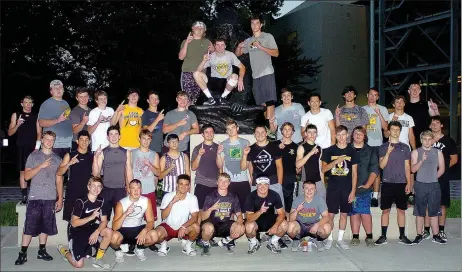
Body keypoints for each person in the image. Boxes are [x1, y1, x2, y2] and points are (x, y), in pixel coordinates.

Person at [15, 131, 63, 265]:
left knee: (45, 226)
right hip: (35, 197)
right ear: (42, 140)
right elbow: (26, 176)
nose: (49, 141)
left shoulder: (57, 159)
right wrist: (41, 166)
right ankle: (22, 253)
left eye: (51, 139)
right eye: (46, 139)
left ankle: (42, 251)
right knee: (29, 226)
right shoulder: (33, 155)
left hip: (50, 197)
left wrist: (59, 198)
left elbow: (59, 181)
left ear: (54, 142)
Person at [56, 177, 113, 270]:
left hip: (90, 228)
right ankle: (64, 251)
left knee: (109, 231)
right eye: (93, 186)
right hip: (76, 230)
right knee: (78, 264)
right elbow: (74, 223)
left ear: (101, 189)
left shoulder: (102, 201)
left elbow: (104, 221)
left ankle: (98, 259)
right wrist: (91, 217)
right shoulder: (81, 201)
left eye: (99, 186)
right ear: (88, 187)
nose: (96, 189)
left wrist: (97, 231)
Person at [236, 16, 279, 131]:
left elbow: (276, 53)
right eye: (252, 23)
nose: (255, 25)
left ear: (261, 25)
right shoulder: (249, 41)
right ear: (250, 25)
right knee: (262, 104)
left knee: (270, 101)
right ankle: (268, 127)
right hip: (256, 75)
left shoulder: (267, 36)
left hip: (267, 72)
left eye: (257, 23)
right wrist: (239, 47)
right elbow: (238, 54)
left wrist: (260, 46)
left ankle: (271, 130)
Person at [375, 121, 413, 246]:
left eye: (397, 130)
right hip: (387, 183)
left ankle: (402, 236)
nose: (395, 132)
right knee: (385, 210)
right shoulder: (383, 147)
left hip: (401, 183)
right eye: (393, 129)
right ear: (389, 131)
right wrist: (388, 152)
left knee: (401, 210)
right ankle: (383, 236)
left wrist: (409, 183)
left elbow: (407, 167)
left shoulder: (405, 147)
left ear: (400, 131)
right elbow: (381, 165)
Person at [321, 125, 358, 250]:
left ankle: (340, 239)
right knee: (330, 214)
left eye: (343, 134)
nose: (341, 137)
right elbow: (324, 168)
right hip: (333, 187)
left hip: (347, 188)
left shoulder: (352, 151)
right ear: (335, 136)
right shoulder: (329, 151)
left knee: (344, 214)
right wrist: (335, 162)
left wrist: (353, 191)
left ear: (347, 135)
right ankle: (329, 239)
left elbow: (354, 173)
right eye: (339, 135)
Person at [150, 174, 200, 257]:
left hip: (183, 227)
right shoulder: (168, 196)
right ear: (177, 185)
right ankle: (164, 244)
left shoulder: (192, 198)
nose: (183, 187)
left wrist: (183, 226)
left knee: (196, 227)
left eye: (186, 184)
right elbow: (163, 216)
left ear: (189, 186)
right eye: (181, 184)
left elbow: (195, 217)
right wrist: (172, 202)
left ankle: (187, 246)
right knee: (155, 234)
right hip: (168, 226)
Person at [411, 130, 446, 245]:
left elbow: (442, 168)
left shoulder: (438, 152)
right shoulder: (416, 152)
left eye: (429, 139)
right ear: (421, 140)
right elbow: (413, 170)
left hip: (434, 185)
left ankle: (435, 235)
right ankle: (419, 235)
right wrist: (422, 161)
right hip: (420, 184)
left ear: (432, 140)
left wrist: (433, 178)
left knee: (434, 212)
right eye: (425, 139)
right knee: (419, 212)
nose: (427, 141)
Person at [110, 179, 157, 263]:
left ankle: (139, 249)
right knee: (113, 238)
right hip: (124, 230)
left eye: (138, 188)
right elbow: (114, 227)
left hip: (138, 229)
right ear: (128, 190)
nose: (136, 191)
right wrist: (125, 213)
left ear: (141, 190)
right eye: (133, 188)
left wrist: (144, 231)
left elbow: (151, 221)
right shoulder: (121, 203)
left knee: (154, 235)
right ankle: (118, 251)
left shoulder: (146, 201)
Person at [427, 116, 458, 241]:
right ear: (430, 126)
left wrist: (442, 169)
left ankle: (441, 231)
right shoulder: (426, 139)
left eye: (437, 123)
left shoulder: (448, 141)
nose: (434, 125)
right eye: (432, 123)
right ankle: (426, 230)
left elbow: (454, 159)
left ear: (441, 125)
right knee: (428, 203)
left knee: (442, 204)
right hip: (427, 176)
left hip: (443, 177)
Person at [92, 126, 133, 221]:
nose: (114, 136)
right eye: (111, 134)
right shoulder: (102, 152)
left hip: (120, 190)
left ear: (119, 136)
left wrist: (130, 189)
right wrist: (95, 157)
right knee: (103, 220)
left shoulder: (126, 152)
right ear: (107, 137)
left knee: (120, 219)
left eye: (116, 134)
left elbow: (129, 171)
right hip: (106, 190)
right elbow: (95, 174)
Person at [199, 173, 245, 256]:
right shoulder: (210, 196)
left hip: (224, 225)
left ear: (229, 183)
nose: (223, 183)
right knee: (208, 227)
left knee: (241, 228)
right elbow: (203, 217)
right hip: (211, 224)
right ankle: (205, 243)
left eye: (226, 181)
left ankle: (226, 241)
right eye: (221, 180)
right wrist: (211, 208)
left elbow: (239, 215)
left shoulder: (233, 197)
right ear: (217, 182)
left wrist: (239, 224)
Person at [7, 95, 42, 204]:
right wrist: (17, 125)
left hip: (33, 148)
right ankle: (24, 196)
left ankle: (35, 194)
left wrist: (37, 147)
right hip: (20, 147)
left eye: (30, 102)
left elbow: (39, 132)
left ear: (32, 104)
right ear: (22, 103)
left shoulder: (36, 115)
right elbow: (10, 133)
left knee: (35, 172)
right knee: (23, 172)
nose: (28, 104)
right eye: (26, 102)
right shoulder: (16, 115)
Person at [349, 126, 379, 247]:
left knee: (365, 212)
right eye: (356, 133)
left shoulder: (370, 150)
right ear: (352, 135)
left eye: (361, 134)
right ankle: (355, 237)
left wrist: (367, 185)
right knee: (354, 212)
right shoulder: (347, 149)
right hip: (350, 189)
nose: (358, 135)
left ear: (364, 136)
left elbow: (374, 169)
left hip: (364, 188)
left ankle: (369, 237)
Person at [241, 125, 284, 208]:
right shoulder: (250, 149)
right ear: (254, 134)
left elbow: (279, 167)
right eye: (257, 132)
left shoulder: (274, 147)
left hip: (273, 183)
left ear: (266, 133)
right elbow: (243, 168)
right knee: (256, 210)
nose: (260, 134)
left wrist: (279, 184)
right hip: (257, 184)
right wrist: (245, 155)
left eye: (262, 132)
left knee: (277, 210)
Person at [193, 37, 246, 105]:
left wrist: (241, 79)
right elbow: (198, 71)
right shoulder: (211, 56)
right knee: (196, 74)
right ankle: (210, 98)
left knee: (235, 76)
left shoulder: (230, 55)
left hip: (226, 82)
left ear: (225, 46)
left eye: (222, 45)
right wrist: (204, 61)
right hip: (213, 82)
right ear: (214, 46)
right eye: (217, 45)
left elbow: (242, 67)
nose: (220, 47)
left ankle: (223, 97)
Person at [244, 176, 288, 254]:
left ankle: (273, 241)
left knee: (284, 224)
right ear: (256, 185)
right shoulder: (250, 196)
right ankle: (254, 242)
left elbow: (281, 214)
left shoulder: (274, 195)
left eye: (265, 184)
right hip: (255, 221)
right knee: (248, 226)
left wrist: (276, 226)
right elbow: (249, 218)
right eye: (260, 184)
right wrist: (260, 211)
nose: (262, 187)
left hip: (269, 220)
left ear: (268, 185)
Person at [58, 130, 94, 223]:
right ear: (77, 141)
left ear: (89, 141)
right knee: (71, 221)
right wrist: (69, 164)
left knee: (87, 220)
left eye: (86, 140)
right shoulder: (70, 155)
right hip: (73, 192)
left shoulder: (92, 156)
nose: (84, 142)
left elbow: (96, 175)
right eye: (81, 139)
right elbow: (59, 172)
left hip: (87, 193)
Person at [217, 119, 251, 213]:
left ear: (237, 128)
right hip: (230, 182)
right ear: (226, 131)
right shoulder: (223, 144)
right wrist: (218, 153)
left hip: (243, 181)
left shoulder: (245, 142)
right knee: (230, 210)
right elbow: (220, 165)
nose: (231, 130)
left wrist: (252, 179)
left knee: (245, 210)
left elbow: (249, 164)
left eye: (233, 128)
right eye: (228, 129)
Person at [362, 87, 389, 207]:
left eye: (375, 95)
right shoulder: (362, 109)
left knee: (376, 170)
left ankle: (375, 196)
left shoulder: (383, 109)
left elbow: (385, 128)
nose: (373, 97)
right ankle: (364, 193)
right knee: (364, 170)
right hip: (365, 144)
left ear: (378, 97)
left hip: (378, 144)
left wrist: (379, 114)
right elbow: (360, 128)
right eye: (371, 94)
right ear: (367, 95)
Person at [287, 180, 331, 252]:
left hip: (314, 224)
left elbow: (326, 217)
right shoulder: (297, 200)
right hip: (300, 225)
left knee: (327, 228)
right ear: (303, 189)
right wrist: (297, 210)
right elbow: (291, 219)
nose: (309, 191)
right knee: (290, 226)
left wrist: (317, 225)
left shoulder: (319, 200)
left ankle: (318, 240)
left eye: (312, 189)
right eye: (307, 188)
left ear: (315, 190)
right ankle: (297, 240)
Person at [178, 21, 213, 105]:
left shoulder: (207, 41)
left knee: (197, 99)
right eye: (197, 27)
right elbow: (181, 57)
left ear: (204, 30)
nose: (199, 29)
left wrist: (213, 50)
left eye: (202, 28)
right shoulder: (185, 41)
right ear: (192, 29)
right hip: (187, 73)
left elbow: (215, 53)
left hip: (201, 73)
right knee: (187, 100)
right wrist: (187, 43)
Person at [130, 129, 160, 220]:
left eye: (148, 139)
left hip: (149, 189)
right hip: (135, 190)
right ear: (139, 139)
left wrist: (149, 165)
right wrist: (128, 187)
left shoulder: (154, 154)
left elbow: (158, 173)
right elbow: (128, 171)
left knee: (150, 219)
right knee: (134, 218)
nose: (146, 141)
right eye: (144, 138)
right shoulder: (132, 153)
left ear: (151, 140)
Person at [38, 79, 73, 158]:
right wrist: (57, 120)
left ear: (63, 90)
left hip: (67, 142)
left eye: (60, 87)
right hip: (55, 143)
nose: (58, 90)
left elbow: (68, 120)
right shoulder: (47, 104)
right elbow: (41, 123)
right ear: (51, 91)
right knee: (53, 168)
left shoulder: (65, 103)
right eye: (55, 88)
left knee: (64, 168)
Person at [191, 124, 220, 209]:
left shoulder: (218, 147)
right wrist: (199, 155)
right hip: (201, 184)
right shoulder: (197, 148)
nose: (209, 134)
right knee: (200, 211)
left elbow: (221, 167)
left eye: (211, 132)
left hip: (215, 185)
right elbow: (193, 167)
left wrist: (220, 183)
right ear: (202, 134)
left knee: (215, 212)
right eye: (206, 132)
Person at [405, 83, 440, 148]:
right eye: (412, 89)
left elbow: (437, 121)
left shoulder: (428, 104)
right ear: (409, 91)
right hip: (409, 140)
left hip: (425, 140)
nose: (415, 91)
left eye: (417, 89)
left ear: (420, 91)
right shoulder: (404, 106)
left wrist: (436, 110)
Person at [275, 122, 299, 215]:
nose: (287, 131)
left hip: (291, 179)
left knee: (289, 206)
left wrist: (298, 169)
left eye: (289, 129)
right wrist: (278, 150)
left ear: (293, 132)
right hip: (277, 179)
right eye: (285, 129)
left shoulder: (296, 147)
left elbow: (298, 163)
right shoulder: (275, 145)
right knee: (278, 205)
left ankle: (288, 226)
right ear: (281, 131)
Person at [296, 124, 325, 200]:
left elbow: (320, 167)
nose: (312, 134)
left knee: (320, 208)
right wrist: (310, 153)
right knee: (304, 209)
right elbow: (298, 165)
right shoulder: (302, 147)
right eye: (309, 132)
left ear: (317, 134)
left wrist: (322, 184)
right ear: (306, 134)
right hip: (305, 182)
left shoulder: (319, 148)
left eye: (314, 132)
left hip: (318, 182)